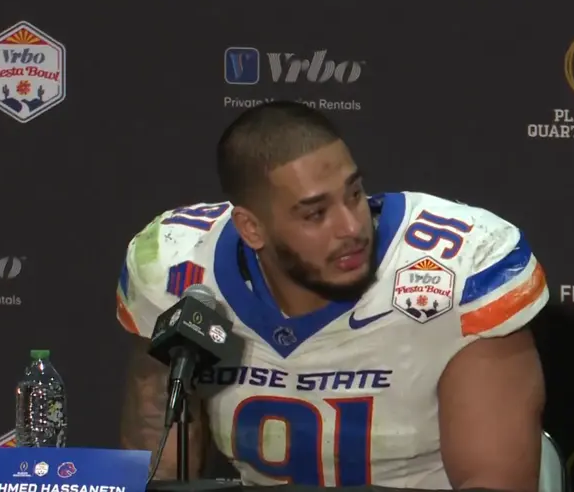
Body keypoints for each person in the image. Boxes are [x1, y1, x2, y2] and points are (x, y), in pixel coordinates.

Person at [116, 101, 549, 491]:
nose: (351, 228)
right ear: (252, 228)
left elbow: (494, 483)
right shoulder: (176, 269)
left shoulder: (459, 267)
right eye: (315, 214)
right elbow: (158, 473)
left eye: (355, 194)